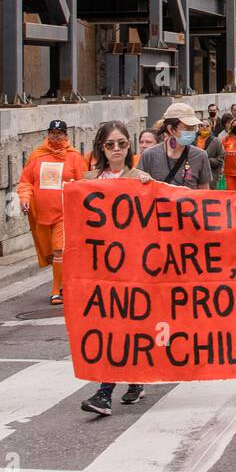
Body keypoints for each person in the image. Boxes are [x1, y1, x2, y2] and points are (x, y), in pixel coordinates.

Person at [80, 122, 154, 416]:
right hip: (102, 270)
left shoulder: (141, 179)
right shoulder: (86, 181)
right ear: (101, 147)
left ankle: (104, 393)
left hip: (134, 268)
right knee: (113, 328)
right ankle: (135, 379)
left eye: (122, 144)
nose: (116, 150)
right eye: (110, 144)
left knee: (124, 327)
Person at [18, 119, 88, 305]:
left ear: (66, 135)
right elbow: (26, 181)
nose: (56, 136)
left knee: (59, 250)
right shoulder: (36, 156)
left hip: (65, 214)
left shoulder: (74, 157)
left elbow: (84, 184)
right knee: (50, 254)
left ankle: (56, 290)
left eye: (60, 133)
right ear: (47, 134)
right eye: (53, 132)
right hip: (42, 215)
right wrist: (24, 199)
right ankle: (65, 282)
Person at [139, 103, 212, 189]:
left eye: (194, 128)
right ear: (171, 129)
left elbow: (204, 192)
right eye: (188, 128)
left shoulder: (200, 156)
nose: (192, 131)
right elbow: (140, 189)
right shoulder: (149, 155)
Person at [194, 114, 226, 187]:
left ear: (211, 127)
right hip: (194, 174)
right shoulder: (192, 140)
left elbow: (220, 160)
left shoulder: (216, 141)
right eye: (202, 125)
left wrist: (206, 160)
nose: (204, 127)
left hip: (211, 175)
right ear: (198, 127)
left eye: (207, 126)